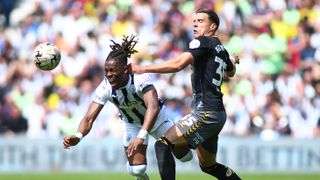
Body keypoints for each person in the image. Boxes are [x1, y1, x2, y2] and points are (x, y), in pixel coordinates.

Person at [129, 8, 241, 180]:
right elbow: (231, 72)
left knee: (163, 145)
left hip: (206, 113)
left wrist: (142, 68)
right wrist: (231, 60)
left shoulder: (202, 42)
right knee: (209, 166)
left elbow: (178, 64)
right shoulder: (221, 49)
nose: (195, 24)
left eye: (201, 21)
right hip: (216, 113)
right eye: (194, 21)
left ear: (213, 27)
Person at [63, 35, 192, 180]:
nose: (109, 75)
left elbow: (153, 107)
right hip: (132, 123)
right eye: (106, 70)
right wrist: (78, 136)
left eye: (112, 70)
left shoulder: (139, 78)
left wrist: (141, 137)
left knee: (186, 156)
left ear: (125, 70)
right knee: (138, 170)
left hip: (158, 119)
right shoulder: (105, 87)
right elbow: (89, 117)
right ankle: (142, 177)